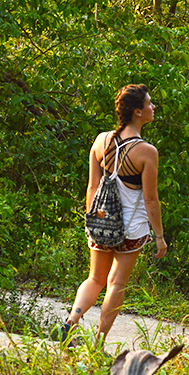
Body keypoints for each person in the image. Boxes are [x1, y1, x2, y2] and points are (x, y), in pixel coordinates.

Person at [58, 84, 168, 347]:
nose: (153, 107)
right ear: (138, 111)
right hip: (132, 228)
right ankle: (97, 344)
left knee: (95, 278)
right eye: (149, 103)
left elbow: (92, 186)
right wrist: (159, 236)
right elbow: (150, 199)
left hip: (101, 221)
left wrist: (93, 222)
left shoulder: (101, 141)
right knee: (116, 284)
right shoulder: (147, 152)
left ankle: (71, 323)